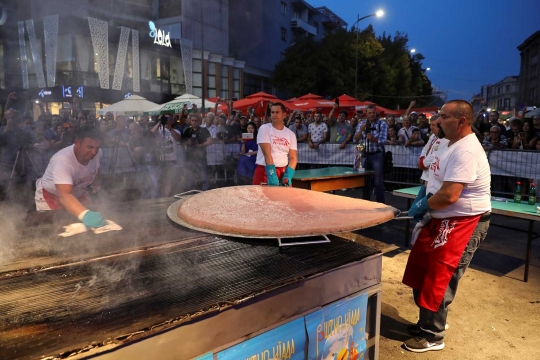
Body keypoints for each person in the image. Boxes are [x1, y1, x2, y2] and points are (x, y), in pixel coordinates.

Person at [402, 100, 491, 353]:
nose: (437, 121)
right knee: (423, 270)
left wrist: (423, 206)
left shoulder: (467, 150)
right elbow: (434, 175)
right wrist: (425, 192)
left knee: (440, 277)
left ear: (461, 121)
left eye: (443, 117)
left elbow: (450, 194)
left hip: (464, 222)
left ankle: (433, 336)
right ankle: (424, 324)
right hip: (442, 218)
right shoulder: (444, 143)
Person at [34, 127, 107, 229]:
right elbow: (64, 195)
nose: (94, 152)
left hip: (77, 191)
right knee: (58, 229)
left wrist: (96, 187)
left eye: (97, 147)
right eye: (90, 147)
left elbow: (96, 167)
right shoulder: (63, 161)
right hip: (52, 196)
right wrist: (85, 215)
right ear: (77, 143)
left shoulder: (97, 153)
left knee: (87, 230)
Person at [253, 103, 297, 186]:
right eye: (272, 112)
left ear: (284, 115)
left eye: (277, 112)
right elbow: (267, 154)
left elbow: (293, 158)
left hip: (283, 172)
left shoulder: (291, 134)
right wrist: (271, 174)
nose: (274, 115)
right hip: (265, 170)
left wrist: (288, 175)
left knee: (285, 199)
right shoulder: (264, 128)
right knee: (262, 199)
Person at [354, 104, 388, 203]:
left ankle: (381, 204)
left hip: (377, 154)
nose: (372, 115)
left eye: (373, 113)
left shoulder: (382, 124)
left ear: (376, 113)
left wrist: (372, 139)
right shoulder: (362, 124)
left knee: (378, 182)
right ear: (366, 114)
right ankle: (366, 203)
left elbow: (383, 140)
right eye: (369, 113)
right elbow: (356, 139)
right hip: (364, 154)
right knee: (366, 182)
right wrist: (361, 129)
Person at [181, 113, 212, 191]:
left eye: (196, 120)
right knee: (189, 177)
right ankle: (190, 192)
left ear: (199, 121)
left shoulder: (204, 129)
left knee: (203, 176)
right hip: (189, 157)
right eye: (193, 120)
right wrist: (187, 142)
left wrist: (200, 145)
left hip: (201, 157)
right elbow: (182, 141)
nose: (194, 122)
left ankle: (205, 191)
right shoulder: (187, 130)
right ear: (190, 121)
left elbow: (210, 141)